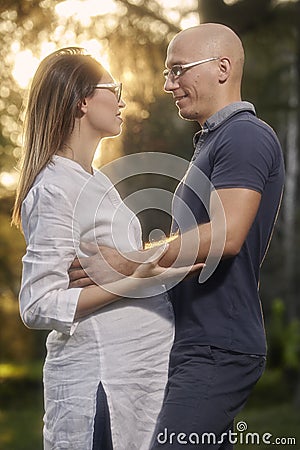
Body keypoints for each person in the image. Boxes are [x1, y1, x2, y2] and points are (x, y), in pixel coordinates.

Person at [69, 23, 285, 449]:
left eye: (179, 70)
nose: (168, 84)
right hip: (188, 343)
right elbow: (190, 260)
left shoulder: (245, 135)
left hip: (214, 347)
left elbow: (226, 236)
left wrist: (125, 261)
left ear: (222, 68)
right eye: (169, 73)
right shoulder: (212, 142)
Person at [12, 47, 203, 450]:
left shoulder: (94, 181)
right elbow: (37, 303)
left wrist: (161, 270)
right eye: (112, 88)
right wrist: (133, 282)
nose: (121, 100)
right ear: (82, 100)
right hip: (100, 386)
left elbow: (127, 271)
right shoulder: (53, 189)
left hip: (137, 381)